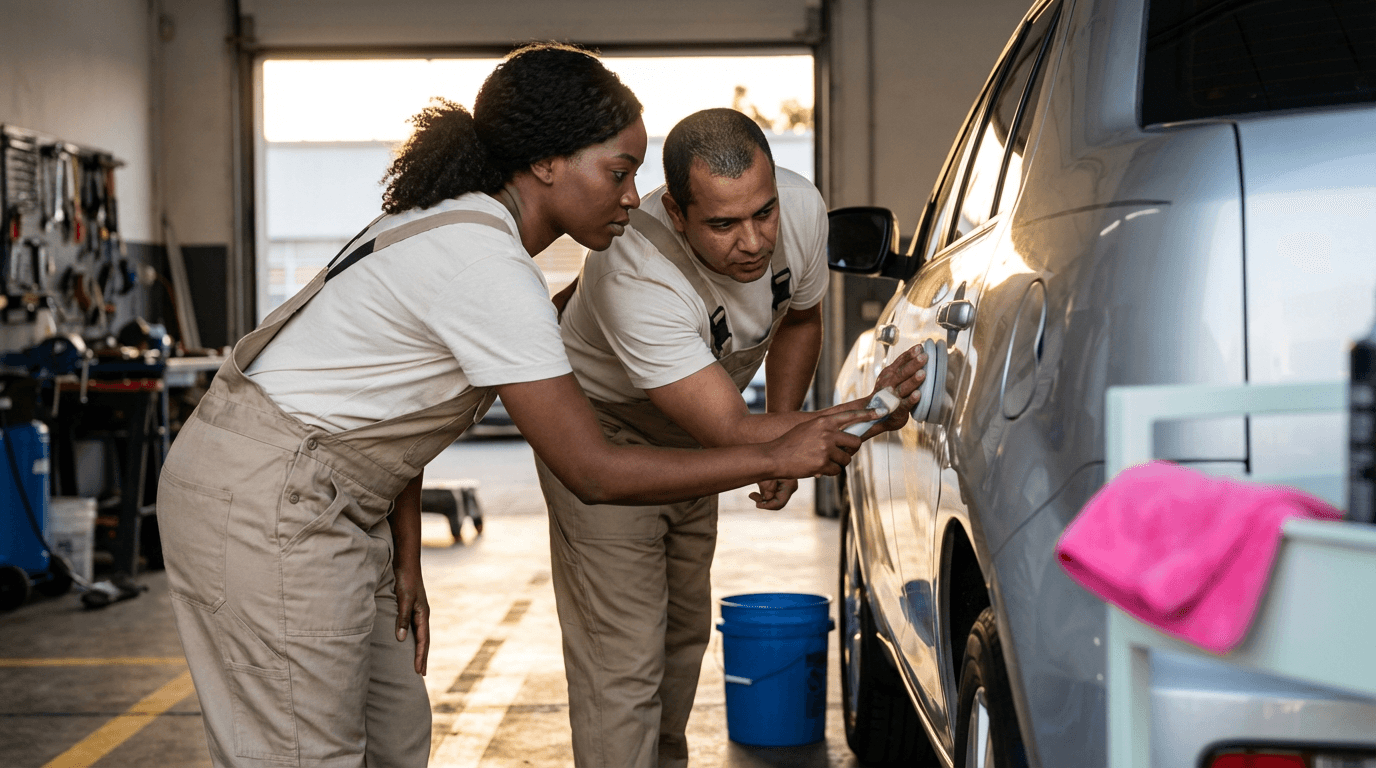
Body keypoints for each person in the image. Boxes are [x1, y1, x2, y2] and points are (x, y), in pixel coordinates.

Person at [156, 46, 877, 768]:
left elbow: (384, 401)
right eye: (619, 172)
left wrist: (407, 552)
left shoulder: (472, 234)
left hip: (340, 496)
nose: (634, 197)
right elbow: (592, 471)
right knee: (301, 754)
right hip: (269, 495)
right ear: (545, 164)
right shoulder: (488, 268)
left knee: (394, 737)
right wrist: (775, 453)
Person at [539, 107, 929, 768]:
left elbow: (800, 318)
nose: (752, 241)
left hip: (702, 426)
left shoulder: (801, 210)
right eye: (723, 224)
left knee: (682, 637)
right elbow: (729, 429)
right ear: (677, 213)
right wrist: (864, 412)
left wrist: (781, 437)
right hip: (607, 430)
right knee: (623, 655)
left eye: (762, 213)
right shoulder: (633, 271)